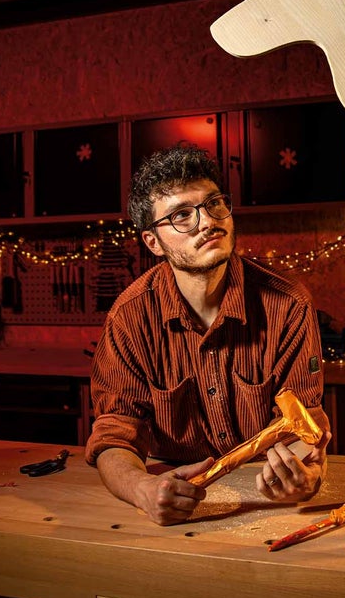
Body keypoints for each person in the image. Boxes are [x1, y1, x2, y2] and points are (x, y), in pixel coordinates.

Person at [85, 145, 331, 525]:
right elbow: (115, 434)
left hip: (264, 500)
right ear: (153, 242)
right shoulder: (129, 317)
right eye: (182, 215)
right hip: (172, 494)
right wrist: (142, 489)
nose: (207, 222)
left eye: (214, 204)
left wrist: (307, 474)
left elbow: (303, 420)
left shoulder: (287, 304)